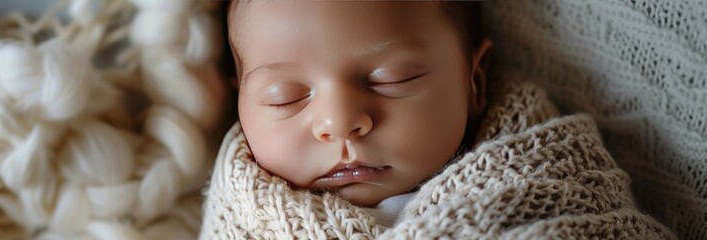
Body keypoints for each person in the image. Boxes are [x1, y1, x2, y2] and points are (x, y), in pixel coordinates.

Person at [201, 1, 675, 239]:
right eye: (285, 98)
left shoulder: (545, 179)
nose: (340, 122)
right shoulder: (247, 214)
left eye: (392, 78)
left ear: (475, 81)